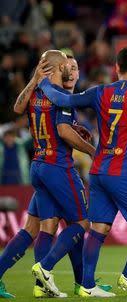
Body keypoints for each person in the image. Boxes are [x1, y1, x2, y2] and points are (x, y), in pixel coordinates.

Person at [37, 46, 127, 297]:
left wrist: (43, 82)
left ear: (116, 68)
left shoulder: (100, 91)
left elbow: (64, 99)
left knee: (99, 228)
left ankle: (87, 285)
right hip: (122, 172)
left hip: (98, 171)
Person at [0, 50, 96, 299]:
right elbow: (63, 131)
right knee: (81, 222)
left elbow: (17, 107)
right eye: (66, 65)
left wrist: (33, 81)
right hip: (57, 167)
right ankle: (48, 270)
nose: (69, 69)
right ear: (57, 68)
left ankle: (42, 286)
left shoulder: (35, 94)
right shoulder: (61, 97)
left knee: (38, 227)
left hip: (38, 165)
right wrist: (92, 151)